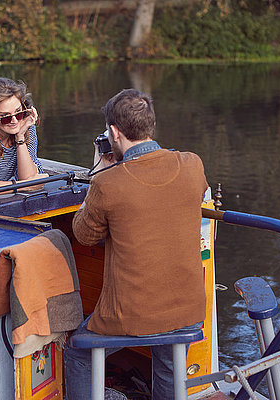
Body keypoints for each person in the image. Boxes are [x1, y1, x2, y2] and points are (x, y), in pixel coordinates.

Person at [64, 89, 208, 399]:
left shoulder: (108, 183)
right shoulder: (192, 164)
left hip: (131, 315)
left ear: (114, 132)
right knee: (169, 355)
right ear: (150, 126)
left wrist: (99, 174)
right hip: (189, 310)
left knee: (77, 350)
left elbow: (84, 235)